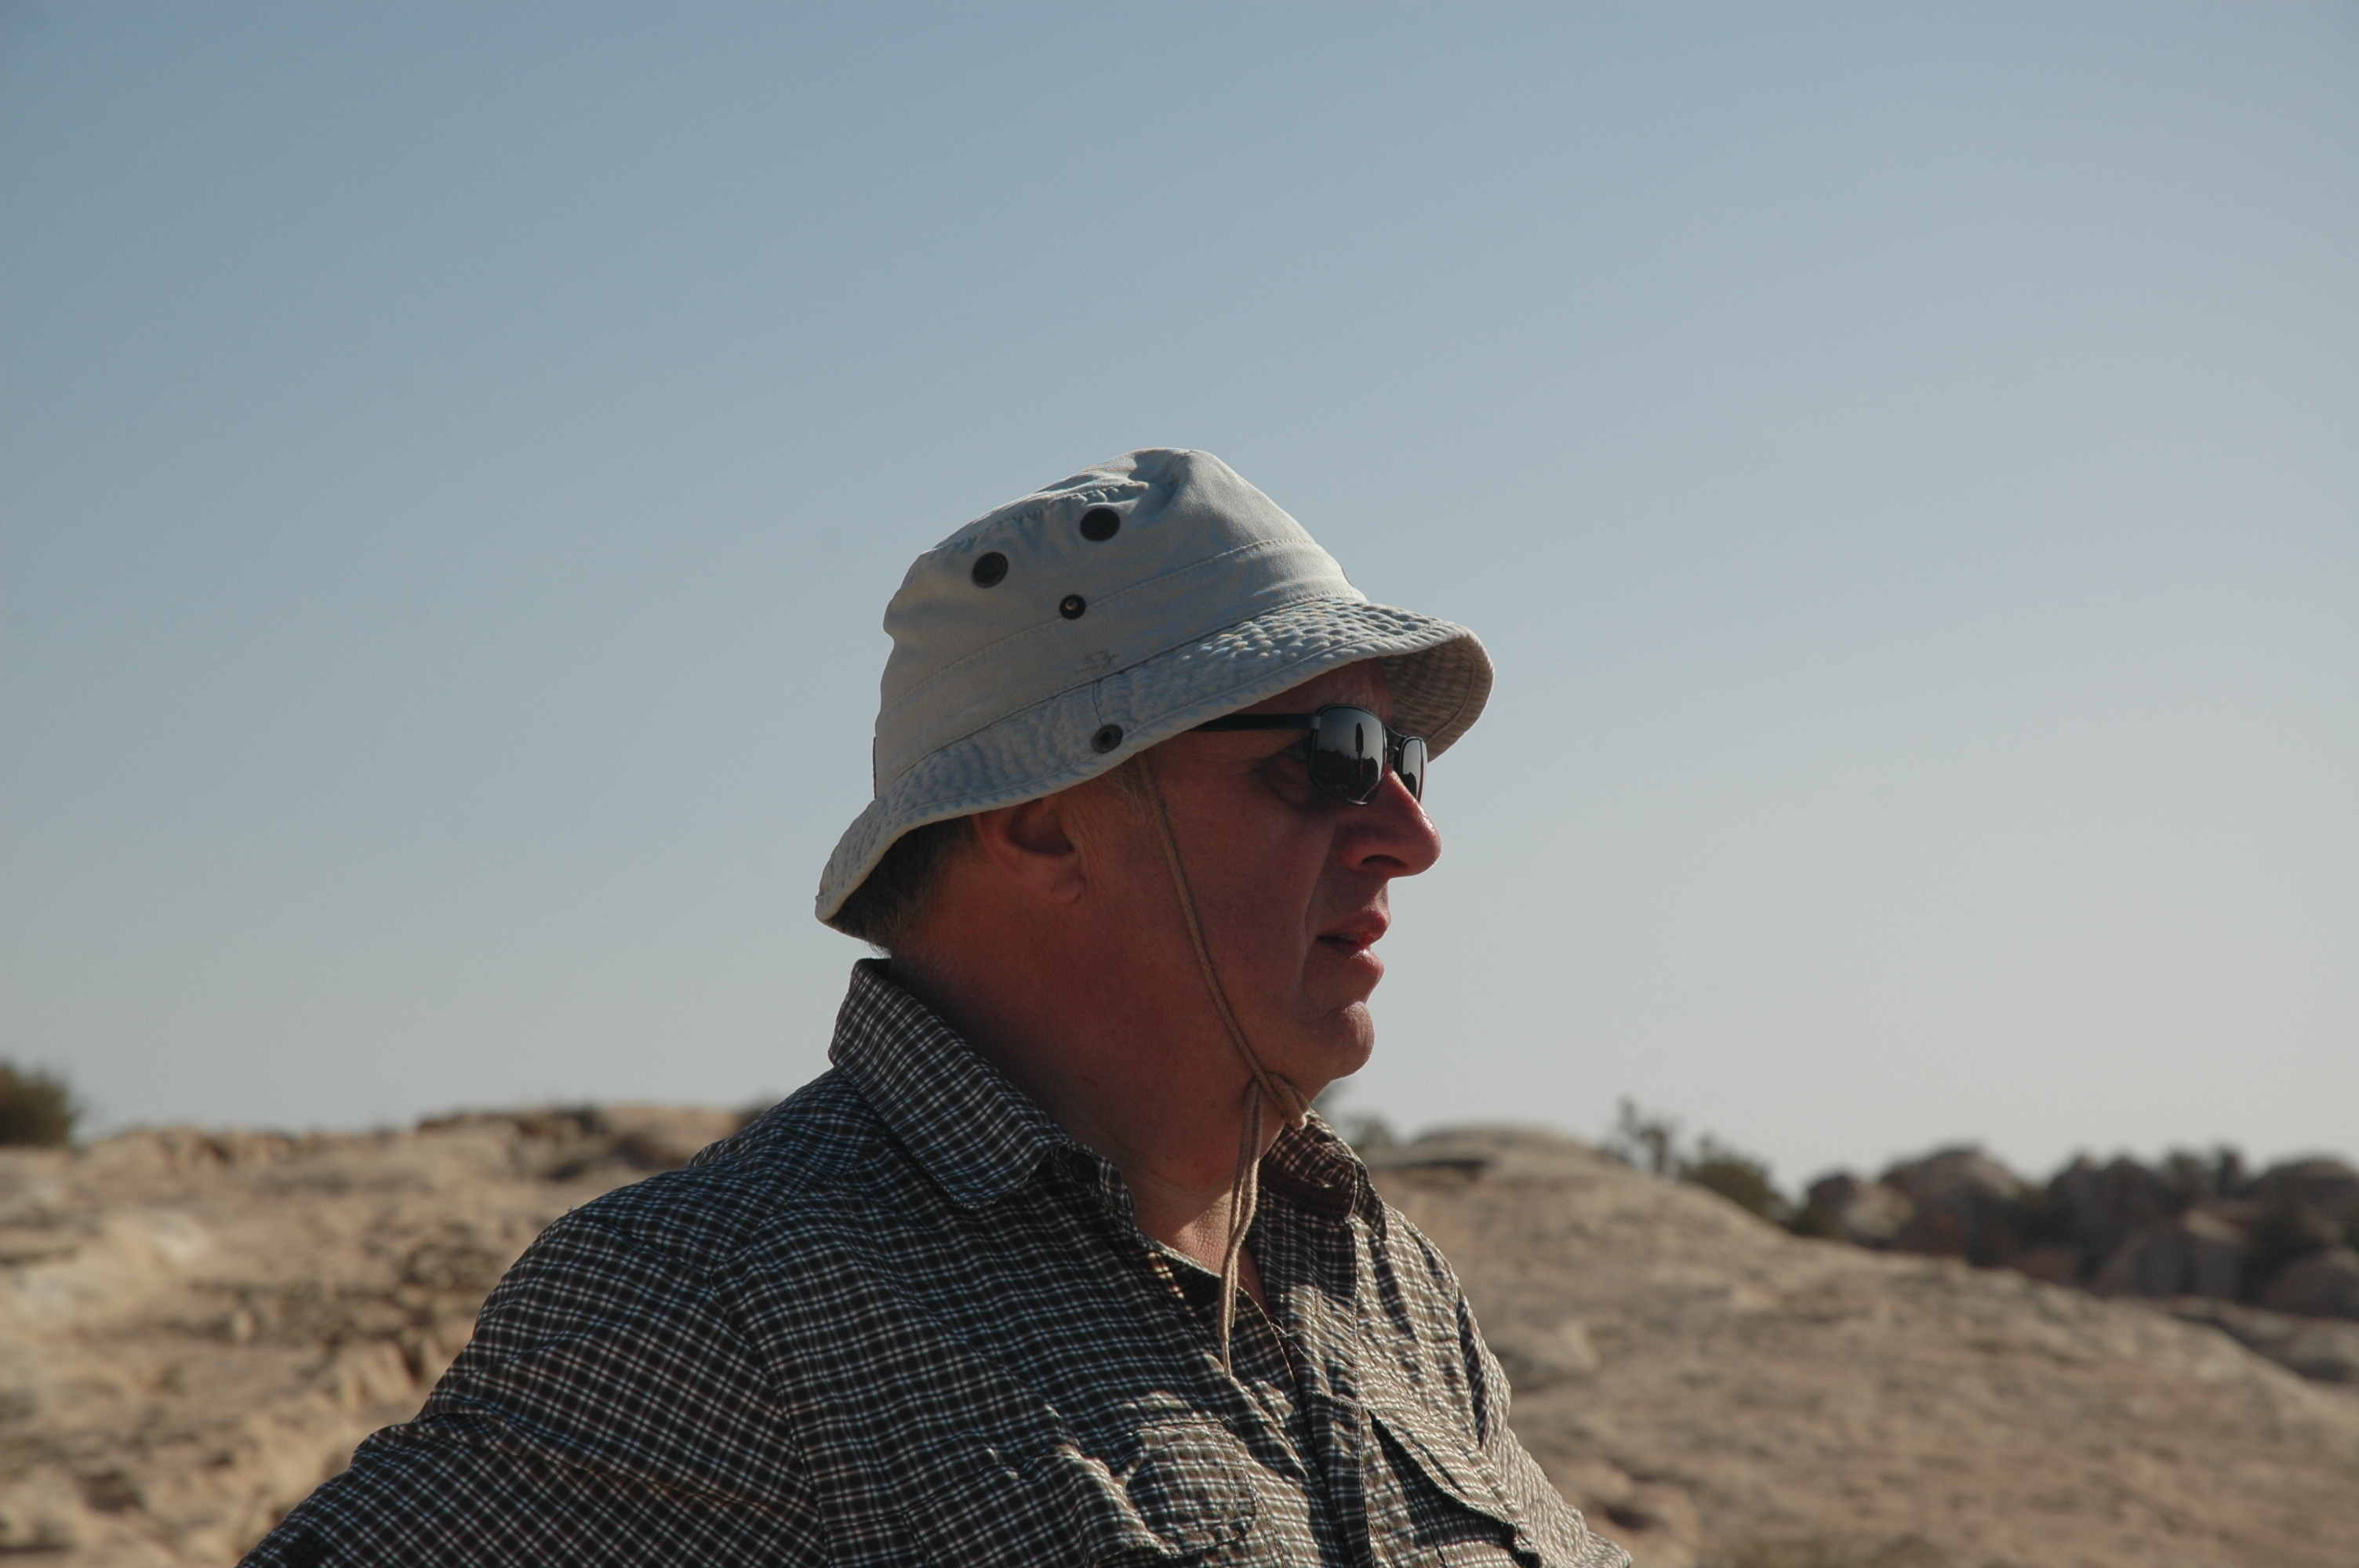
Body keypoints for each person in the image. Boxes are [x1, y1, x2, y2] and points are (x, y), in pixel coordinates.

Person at [243, 449, 1628, 1567]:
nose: (1409, 835)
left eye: (1403, 759)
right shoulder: (720, 1305)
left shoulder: (1374, 1270)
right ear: (1042, 825)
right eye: (1330, 757)